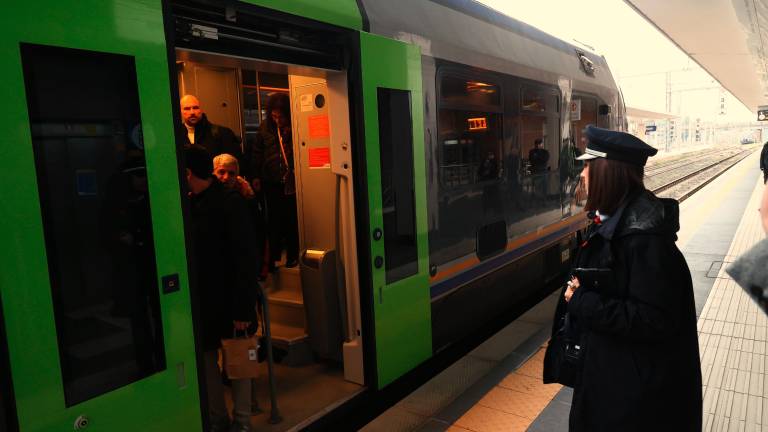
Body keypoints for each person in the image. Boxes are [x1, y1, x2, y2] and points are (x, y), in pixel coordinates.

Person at [545, 125, 702, 431]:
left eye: (589, 166)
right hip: (613, 382)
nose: (583, 175)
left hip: (632, 401)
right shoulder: (614, 223)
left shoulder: (646, 242)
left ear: (608, 172)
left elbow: (654, 318)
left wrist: (582, 301)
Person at [185, 146, 258, 432]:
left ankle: (241, 422)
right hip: (205, 300)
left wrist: (243, 307)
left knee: (238, 361)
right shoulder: (192, 202)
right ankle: (218, 418)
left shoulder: (231, 202)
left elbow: (246, 258)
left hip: (230, 300)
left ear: (188, 173)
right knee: (206, 361)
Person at [251, 93, 299, 270]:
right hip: (270, 180)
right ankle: (273, 256)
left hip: (292, 180)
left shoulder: (295, 126)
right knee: (273, 219)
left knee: (292, 218)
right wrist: (255, 176)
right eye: (274, 116)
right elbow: (256, 152)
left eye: (281, 116)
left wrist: (289, 137)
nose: (278, 120)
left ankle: (293, 254)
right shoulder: (265, 127)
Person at [180, 95, 244, 165]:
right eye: (187, 109)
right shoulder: (176, 136)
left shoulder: (223, 133)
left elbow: (236, 164)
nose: (192, 112)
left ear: (201, 110)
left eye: (195, 108)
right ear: (180, 111)